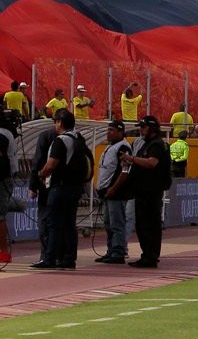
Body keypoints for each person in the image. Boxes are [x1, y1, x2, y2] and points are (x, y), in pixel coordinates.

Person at [31, 109, 88, 270]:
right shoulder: (79, 138)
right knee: (70, 224)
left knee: (53, 223)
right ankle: (69, 258)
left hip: (60, 187)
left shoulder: (61, 140)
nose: (54, 124)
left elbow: (51, 164)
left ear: (60, 123)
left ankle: (49, 257)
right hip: (76, 187)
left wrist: (41, 175)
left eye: (55, 121)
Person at [122, 118, 170, 268]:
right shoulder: (148, 143)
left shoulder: (156, 144)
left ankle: (151, 257)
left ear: (152, 128)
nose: (141, 130)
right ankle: (147, 255)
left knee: (149, 225)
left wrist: (131, 159)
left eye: (143, 127)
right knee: (143, 225)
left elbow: (152, 162)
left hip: (151, 192)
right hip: (143, 191)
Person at [95, 120, 134, 264]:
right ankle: (111, 250)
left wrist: (114, 188)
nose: (108, 133)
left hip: (117, 193)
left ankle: (118, 252)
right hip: (107, 192)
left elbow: (125, 171)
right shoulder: (110, 147)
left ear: (120, 132)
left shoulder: (123, 147)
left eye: (112, 130)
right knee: (108, 223)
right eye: (108, 130)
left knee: (117, 223)